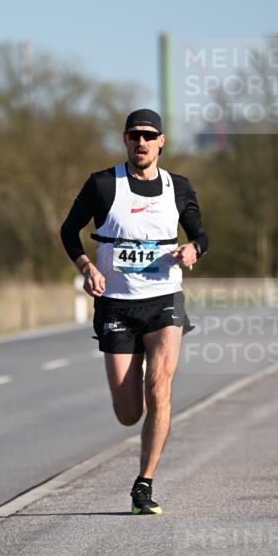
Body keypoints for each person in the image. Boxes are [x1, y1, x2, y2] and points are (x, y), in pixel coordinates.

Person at [60, 109, 209, 514]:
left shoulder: (177, 187)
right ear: (125, 140)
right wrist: (87, 267)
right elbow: (67, 231)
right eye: (133, 135)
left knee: (160, 387)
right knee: (129, 413)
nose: (140, 142)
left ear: (161, 141)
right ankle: (137, 367)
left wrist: (193, 248)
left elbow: (200, 234)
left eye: (148, 135)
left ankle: (143, 484)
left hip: (164, 300)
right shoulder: (104, 184)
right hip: (117, 306)